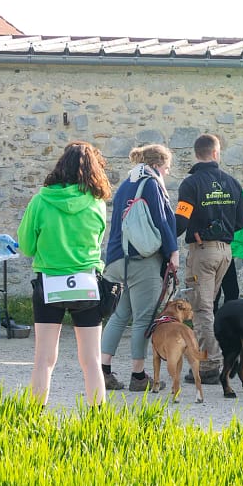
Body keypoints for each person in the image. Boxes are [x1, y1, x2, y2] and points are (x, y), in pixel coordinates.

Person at [17, 141, 113, 406]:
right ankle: (98, 419)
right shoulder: (96, 203)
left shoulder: (40, 200)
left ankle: (35, 414)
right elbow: (98, 241)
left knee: (44, 359)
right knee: (92, 360)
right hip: (86, 282)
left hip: (50, 282)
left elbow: (26, 246)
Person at [100, 144, 180, 392]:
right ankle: (138, 376)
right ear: (156, 165)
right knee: (144, 319)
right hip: (142, 260)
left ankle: (103, 371)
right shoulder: (152, 184)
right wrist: (173, 252)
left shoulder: (127, 183)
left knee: (120, 315)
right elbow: (162, 221)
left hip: (118, 260)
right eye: (166, 167)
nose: (167, 172)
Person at [174, 133, 243, 385]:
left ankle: (210, 365)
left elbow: (181, 220)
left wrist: (166, 241)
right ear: (216, 153)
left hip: (203, 251)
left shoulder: (191, 184)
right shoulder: (233, 183)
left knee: (201, 309)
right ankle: (221, 357)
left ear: (196, 153)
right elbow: (239, 223)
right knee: (209, 307)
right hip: (225, 252)